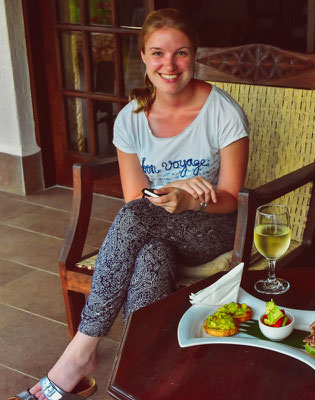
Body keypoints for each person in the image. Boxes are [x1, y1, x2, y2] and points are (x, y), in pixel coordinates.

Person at [15, 8, 249, 400]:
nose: (169, 65)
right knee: (151, 254)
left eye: (181, 53)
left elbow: (229, 199)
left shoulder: (223, 112)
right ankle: (139, 368)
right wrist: (175, 187)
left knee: (138, 222)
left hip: (213, 228)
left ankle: (81, 351)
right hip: (154, 225)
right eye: (158, 53)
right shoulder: (131, 120)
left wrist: (193, 200)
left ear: (195, 55)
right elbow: (134, 201)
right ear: (142, 56)